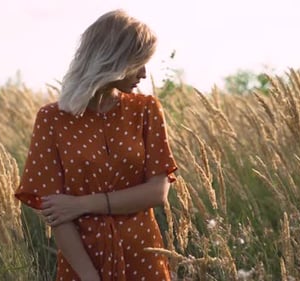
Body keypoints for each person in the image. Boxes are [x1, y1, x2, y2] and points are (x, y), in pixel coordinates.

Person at [15, 9, 178, 281]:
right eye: (138, 62)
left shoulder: (146, 110)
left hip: (144, 257)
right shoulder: (52, 119)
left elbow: (157, 193)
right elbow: (56, 212)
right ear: (113, 61)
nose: (144, 73)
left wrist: (82, 204)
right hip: (82, 263)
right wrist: (91, 277)